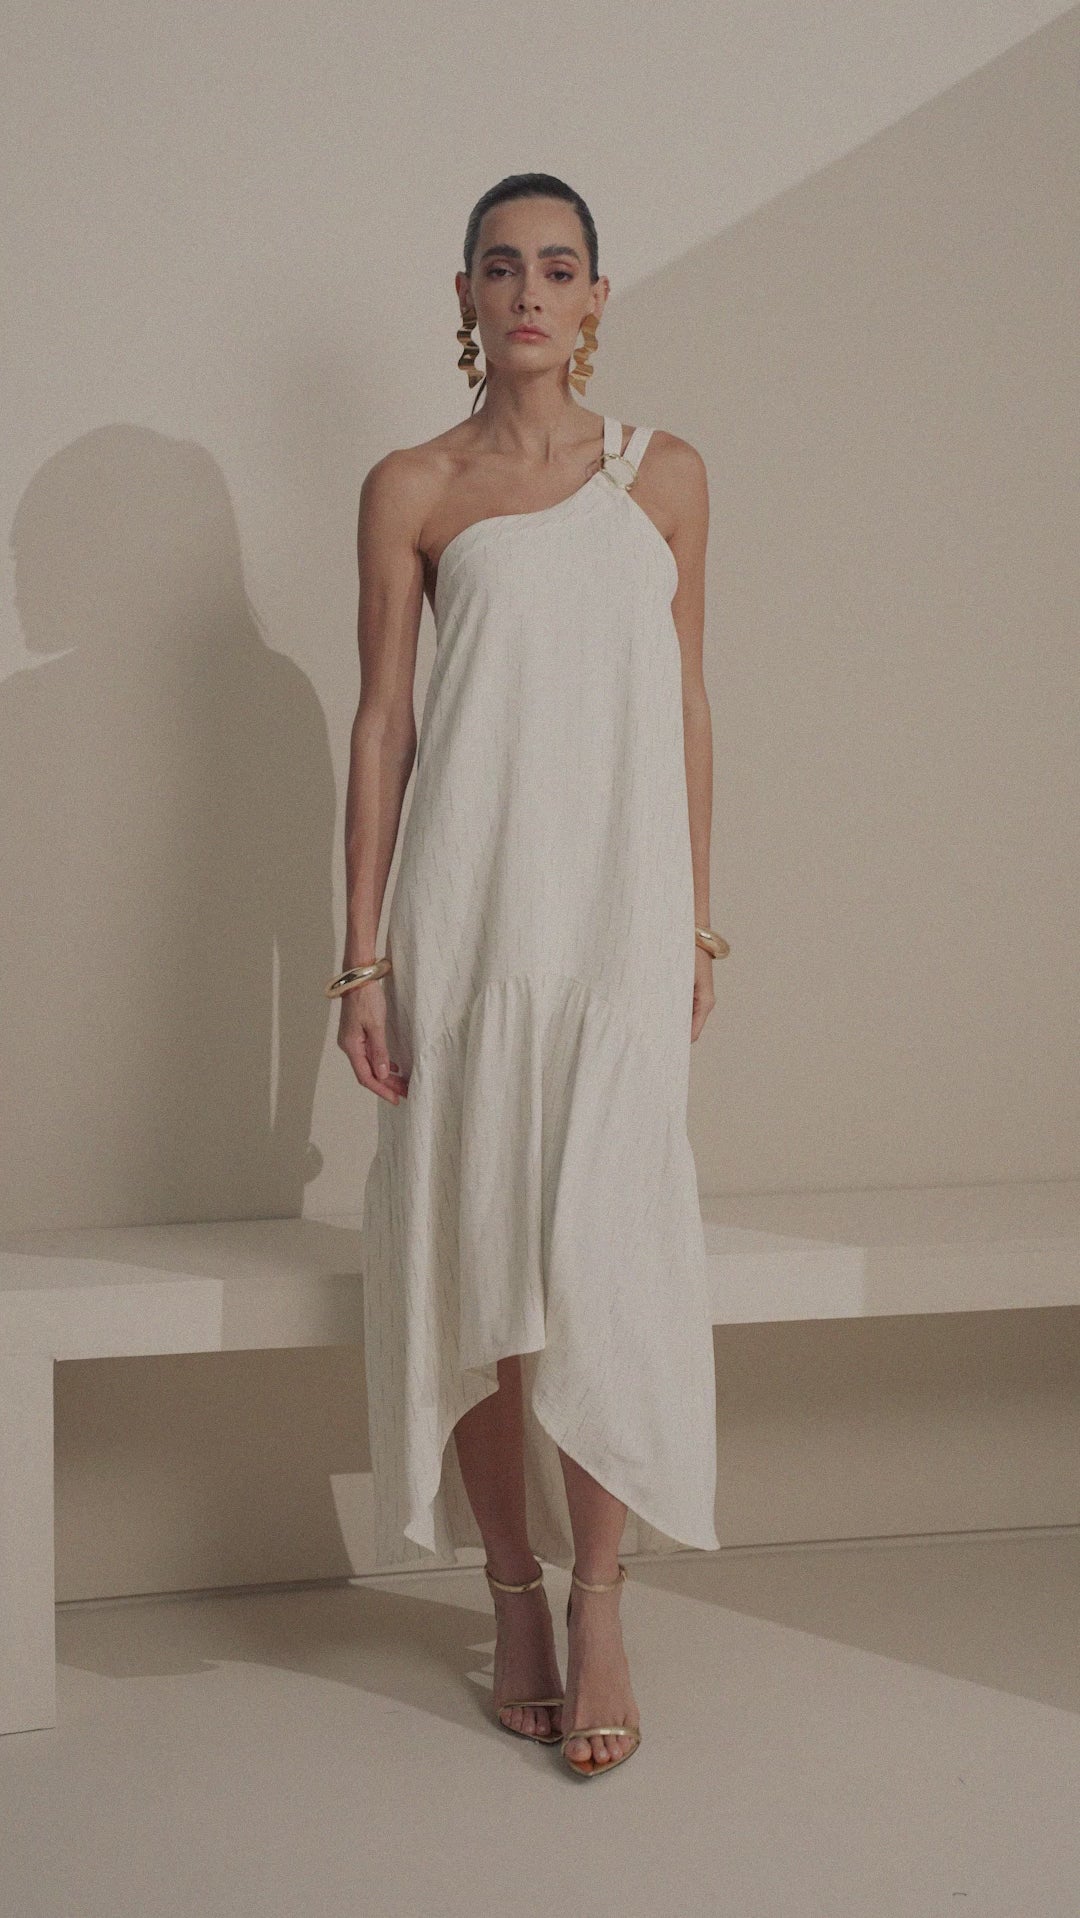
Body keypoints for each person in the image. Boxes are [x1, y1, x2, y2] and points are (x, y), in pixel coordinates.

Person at [327, 171, 729, 1778]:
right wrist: (363, 957)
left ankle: (604, 1594)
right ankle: (511, 1590)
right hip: (472, 916)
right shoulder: (414, 486)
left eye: (560, 268)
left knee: (608, 1254)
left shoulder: (667, 477)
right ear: (467, 296)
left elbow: (689, 703)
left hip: (619, 917)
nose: (531, 294)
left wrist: (697, 922)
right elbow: (384, 724)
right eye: (503, 268)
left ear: (598, 298)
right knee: (483, 1244)